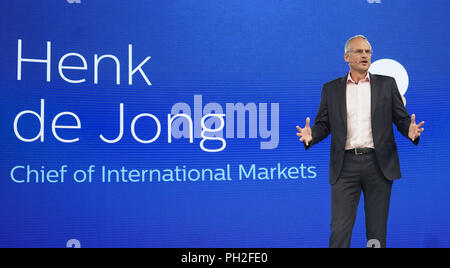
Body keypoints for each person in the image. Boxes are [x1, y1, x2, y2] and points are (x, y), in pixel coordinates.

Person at [296, 35, 424, 248]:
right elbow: (323, 124)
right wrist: (312, 136)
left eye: (368, 51)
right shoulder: (331, 89)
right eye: (359, 51)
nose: (365, 55)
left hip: (378, 165)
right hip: (345, 167)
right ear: (347, 56)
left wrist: (409, 131)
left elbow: (401, 119)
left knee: (376, 232)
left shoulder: (387, 84)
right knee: (339, 230)